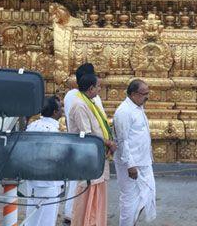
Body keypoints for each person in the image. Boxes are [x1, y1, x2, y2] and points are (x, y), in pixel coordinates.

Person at [67, 73, 116, 226]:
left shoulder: (89, 102)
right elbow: (87, 135)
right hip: (87, 158)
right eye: (98, 86)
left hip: (96, 157)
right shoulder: (80, 105)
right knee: (87, 194)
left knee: (96, 194)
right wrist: (108, 142)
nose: (100, 89)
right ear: (90, 88)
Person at [64, 63, 106, 223]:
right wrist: (105, 141)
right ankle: (81, 217)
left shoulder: (71, 95)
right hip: (86, 146)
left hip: (77, 142)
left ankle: (75, 214)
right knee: (83, 184)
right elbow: (93, 125)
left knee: (77, 182)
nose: (99, 89)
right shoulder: (82, 101)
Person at [113, 79, 157, 226]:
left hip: (143, 161)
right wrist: (130, 165)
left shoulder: (137, 107)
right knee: (129, 201)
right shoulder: (124, 112)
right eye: (144, 94)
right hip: (131, 165)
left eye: (148, 93)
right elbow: (123, 141)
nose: (147, 97)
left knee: (146, 195)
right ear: (133, 94)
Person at [23, 96, 64, 226]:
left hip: (32, 178)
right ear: (55, 112)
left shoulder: (32, 126)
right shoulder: (52, 131)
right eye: (60, 107)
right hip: (49, 181)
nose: (62, 110)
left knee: (32, 215)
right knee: (47, 219)